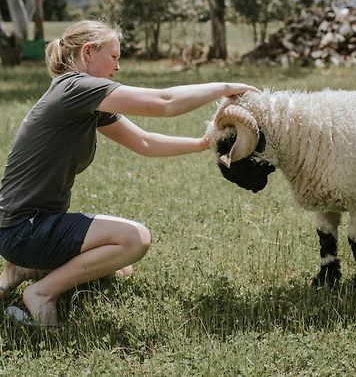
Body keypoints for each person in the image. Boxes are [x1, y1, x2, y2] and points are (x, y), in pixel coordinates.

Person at [0, 19, 259, 327]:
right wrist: (225, 87)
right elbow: (165, 103)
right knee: (134, 240)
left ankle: (20, 270)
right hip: (24, 229)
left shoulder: (83, 100)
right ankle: (41, 293)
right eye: (113, 57)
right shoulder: (75, 88)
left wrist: (203, 143)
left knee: (119, 267)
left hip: (28, 227)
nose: (118, 66)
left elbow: (144, 141)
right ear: (88, 53)